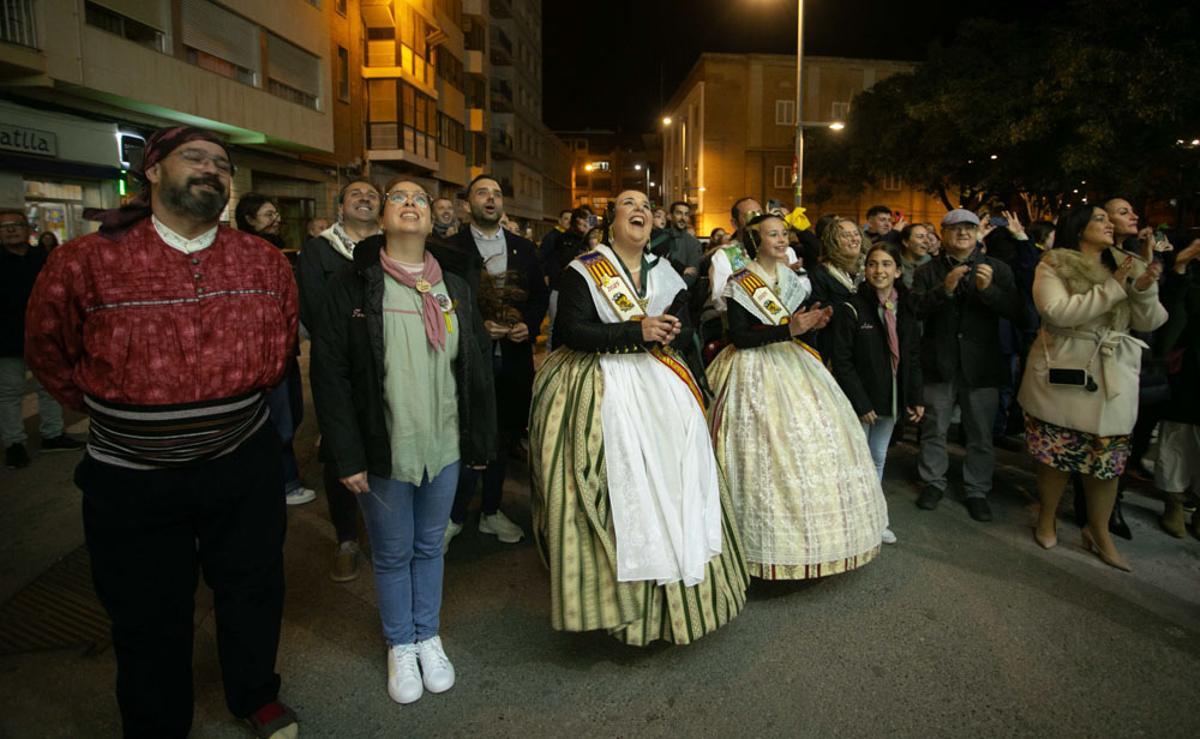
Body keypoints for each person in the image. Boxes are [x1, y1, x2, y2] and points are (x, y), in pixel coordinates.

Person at [25, 126, 300, 738]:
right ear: (151, 170)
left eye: (222, 164)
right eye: (194, 158)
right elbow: (47, 348)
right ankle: (157, 724)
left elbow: (281, 345)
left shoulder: (262, 259)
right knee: (148, 612)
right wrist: (122, 416)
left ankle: (255, 692)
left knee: (252, 587)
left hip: (242, 464)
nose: (211, 169)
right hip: (131, 478)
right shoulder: (85, 259)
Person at [529, 189, 747, 645]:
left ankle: (678, 603)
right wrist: (636, 330)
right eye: (629, 204)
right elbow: (571, 331)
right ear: (612, 221)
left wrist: (671, 328)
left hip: (660, 384)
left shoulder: (665, 272)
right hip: (601, 384)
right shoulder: (583, 271)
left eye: (647, 207)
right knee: (619, 490)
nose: (640, 211)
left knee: (675, 481)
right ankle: (619, 608)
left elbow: (683, 328)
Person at [310, 179, 496, 704]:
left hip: (445, 444)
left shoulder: (453, 285)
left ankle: (428, 635)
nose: (411, 204)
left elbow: (475, 364)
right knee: (391, 554)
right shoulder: (353, 284)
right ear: (382, 217)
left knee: (429, 545)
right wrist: (346, 453)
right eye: (399, 198)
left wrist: (480, 438)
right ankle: (400, 644)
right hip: (384, 446)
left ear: (432, 218)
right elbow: (331, 377)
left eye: (419, 199)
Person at [707, 213, 887, 575]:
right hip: (752, 370)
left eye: (783, 232)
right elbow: (740, 337)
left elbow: (797, 330)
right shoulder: (741, 282)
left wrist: (810, 326)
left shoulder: (793, 279)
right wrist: (790, 329)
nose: (780, 238)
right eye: (771, 234)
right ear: (755, 241)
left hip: (794, 365)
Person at [1019, 205, 1167, 571]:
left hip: (1113, 373)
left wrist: (1144, 289)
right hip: (1067, 369)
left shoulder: (1126, 260)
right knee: (1056, 455)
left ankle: (1099, 531)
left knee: (1108, 463)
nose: (1108, 224)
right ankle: (1047, 517)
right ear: (1079, 226)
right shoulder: (1055, 263)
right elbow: (1057, 311)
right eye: (1100, 218)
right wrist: (1114, 286)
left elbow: (1149, 320)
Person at [446, 175, 548, 549]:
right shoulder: (450, 248)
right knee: (467, 436)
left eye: (497, 194)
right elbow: (442, 302)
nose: (491, 199)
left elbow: (539, 295)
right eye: (482, 193)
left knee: (503, 437)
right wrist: (474, 327)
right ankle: (453, 514)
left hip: (514, 358)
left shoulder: (523, 247)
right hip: (471, 360)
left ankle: (491, 511)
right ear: (467, 204)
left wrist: (528, 325)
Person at [910, 209, 1024, 522]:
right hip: (940, 363)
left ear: (977, 233)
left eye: (969, 228)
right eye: (955, 228)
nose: (963, 233)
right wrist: (944, 289)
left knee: (980, 434)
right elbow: (915, 310)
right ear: (942, 234)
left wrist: (990, 292)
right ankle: (933, 482)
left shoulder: (997, 269)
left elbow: (1016, 311)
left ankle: (977, 489)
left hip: (982, 366)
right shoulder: (927, 271)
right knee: (935, 429)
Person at [296, 179, 384, 582]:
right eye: (356, 195)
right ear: (340, 206)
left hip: (388, 366)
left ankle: (384, 533)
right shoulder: (319, 250)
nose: (364, 199)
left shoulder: (395, 245)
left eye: (371, 195)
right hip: (341, 364)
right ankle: (346, 537)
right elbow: (315, 310)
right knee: (341, 449)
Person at [830, 242, 924, 544]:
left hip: (891, 398)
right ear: (864, 269)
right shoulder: (852, 307)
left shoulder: (905, 306)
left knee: (879, 456)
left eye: (886, 264)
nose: (879, 270)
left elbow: (911, 355)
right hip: (862, 400)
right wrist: (861, 402)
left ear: (897, 270)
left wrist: (915, 397)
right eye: (872, 264)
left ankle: (874, 518)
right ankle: (849, 521)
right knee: (854, 458)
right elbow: (842, 361)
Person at [237, 194, 313, 506]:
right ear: (250, 219)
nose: (276, 218)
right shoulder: (247, 253)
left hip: (284, 348)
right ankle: (284, 482)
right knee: (279, 419)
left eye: (276, 213)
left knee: (291, 413)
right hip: (265, 351)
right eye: (269, 214)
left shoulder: (274, 250)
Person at [1, 210, 83, 468]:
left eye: (17, 225)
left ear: (28, 229)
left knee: (49, 389)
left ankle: (52, 434)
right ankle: (14, 443)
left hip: (44, 337)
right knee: (9, 393)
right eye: (5, 227)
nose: (11, 230)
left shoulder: (42, 258)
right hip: (6, 339)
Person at [1155, 238, 1200, 538]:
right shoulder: (1189, 272)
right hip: (1191, 372)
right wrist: (1181, 266)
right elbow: (1174, 310)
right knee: (1178, 439)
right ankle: (1173, 502)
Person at [807, 217, 865, 358]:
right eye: (846, 235)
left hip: (867, 342)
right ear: (832, 242)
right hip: (836, 344)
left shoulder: (871, 267)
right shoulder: (821, 272)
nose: (854, 239)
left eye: (856, 234)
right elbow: (818, 309)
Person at [541, 206, 591, 348]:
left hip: (586, 291)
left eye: (587, 222)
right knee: (556, 326)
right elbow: (561, 261)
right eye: (580, 223)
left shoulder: (596, 239)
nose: (583, 227)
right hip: (560, 288)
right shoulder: (563, 239)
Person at [655, 201, 703, 288]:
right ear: (670, 216)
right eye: (679, 213)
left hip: (679, 294)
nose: (683, 218)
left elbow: (692, 275)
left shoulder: (694, 243)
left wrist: (673, 289)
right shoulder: (658, 236)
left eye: (686, 214)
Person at [897, 223, 932, 289]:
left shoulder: (931, 264)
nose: (927, 241)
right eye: (920, 237)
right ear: (905, 242)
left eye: (927, 237)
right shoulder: (895, 264)